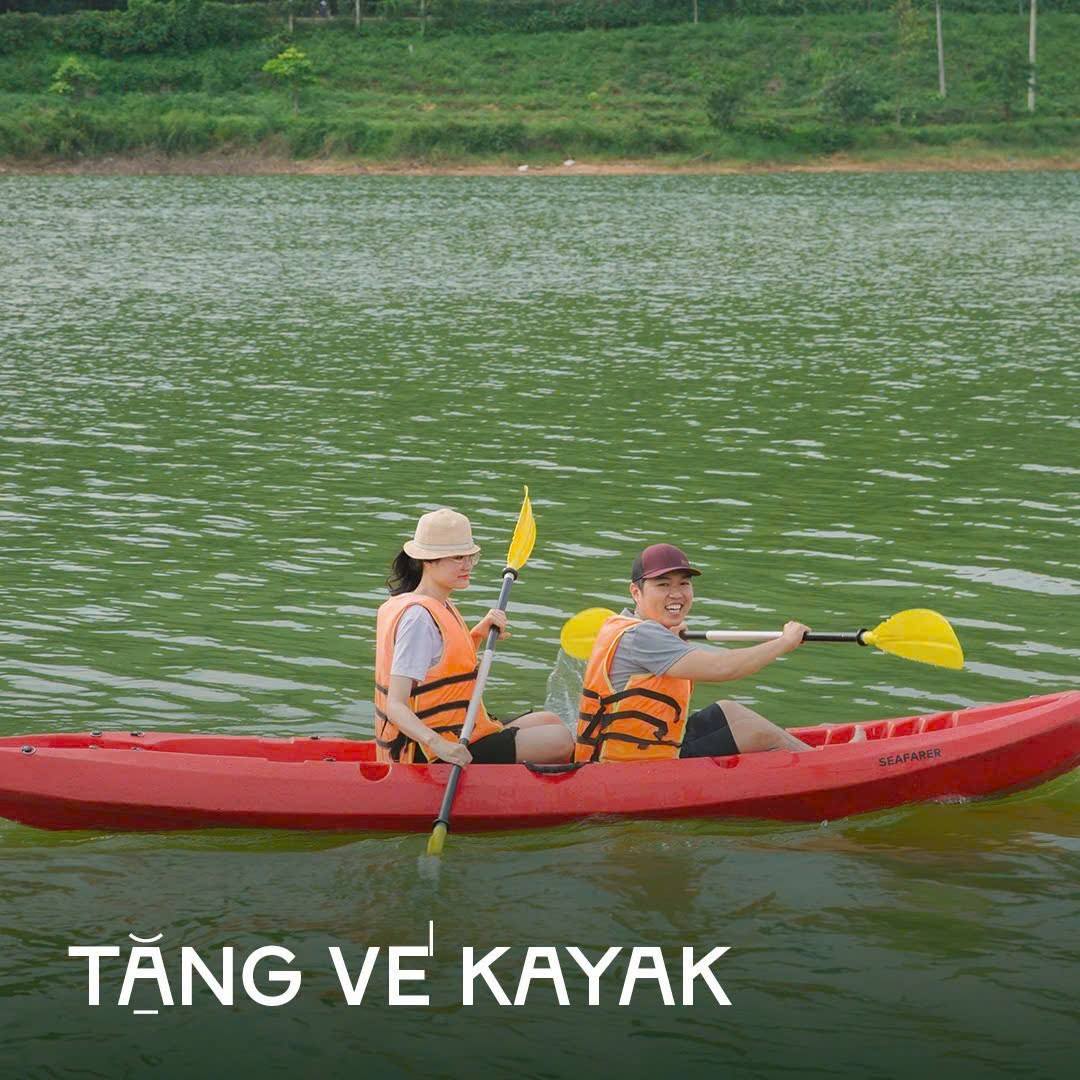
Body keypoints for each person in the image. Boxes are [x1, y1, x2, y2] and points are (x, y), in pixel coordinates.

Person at [575, 543, 818, 763]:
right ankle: (822, 766)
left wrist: (668, 636)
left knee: (728, 711)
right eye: (663, 584)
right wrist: (784, 642)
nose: (676, 594)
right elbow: (722, 668)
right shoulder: (644, 635)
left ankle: (815, 756)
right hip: (632, 764)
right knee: (754, 732)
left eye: (684, 583)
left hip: (637, 746)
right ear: (636, 592)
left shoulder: (625, 625)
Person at [375, 508, 573, 767]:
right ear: (428, 561)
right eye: (458, 557)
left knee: (550, 720)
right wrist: (440, 745)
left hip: (459, 728)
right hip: (429, 750)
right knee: (561, 740)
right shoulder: (418, 619)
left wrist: (477, 634)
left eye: (471, 556)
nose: (467, 565)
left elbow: (440, 666)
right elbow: (395, 705)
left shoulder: (439, 603)